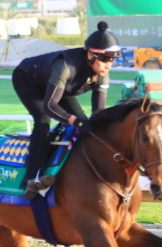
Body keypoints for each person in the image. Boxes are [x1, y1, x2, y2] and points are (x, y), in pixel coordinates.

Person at [12, 21, 121, 198]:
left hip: (60, 86)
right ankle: (31, 179)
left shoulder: (103, 74)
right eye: (105, 59)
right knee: (43, 121)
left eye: (112, 59)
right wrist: (74, 121)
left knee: (86, 125)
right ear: (90, 55)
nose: (109, 65)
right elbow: (49, 106)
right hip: (28, 78)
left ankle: (75, 171)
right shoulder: (65, 66)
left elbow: (98, 113)